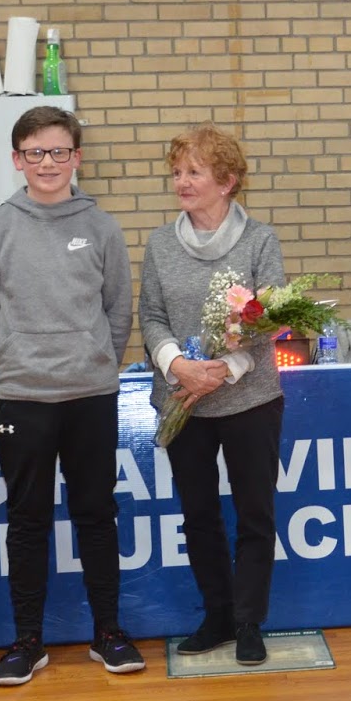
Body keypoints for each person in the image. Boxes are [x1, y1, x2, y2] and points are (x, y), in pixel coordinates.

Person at [0, 106, 139, 686]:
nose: (48, 162)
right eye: (35, 153)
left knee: (96, 515)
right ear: (17, 160)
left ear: (77, 158)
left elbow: (119, 309)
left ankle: (109, 633)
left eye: (59, 151)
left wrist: (97, 362)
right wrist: (9, 366)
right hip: (22, 397)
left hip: (90, 393)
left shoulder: (102, 227)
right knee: (27, 520)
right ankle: (26, 641)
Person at [139, 125, 286, 667]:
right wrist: (179, 366)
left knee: (254, 514)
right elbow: (150, 317)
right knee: (197, 514)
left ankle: (249, 621)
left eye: (193, 172)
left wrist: (223, 370)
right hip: (184, 398)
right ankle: (217, 615)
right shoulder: (159, 243)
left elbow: (270, 320)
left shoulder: (260, 240)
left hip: (250, 398)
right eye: (177, 172)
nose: (181, 181)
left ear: (226, 181)